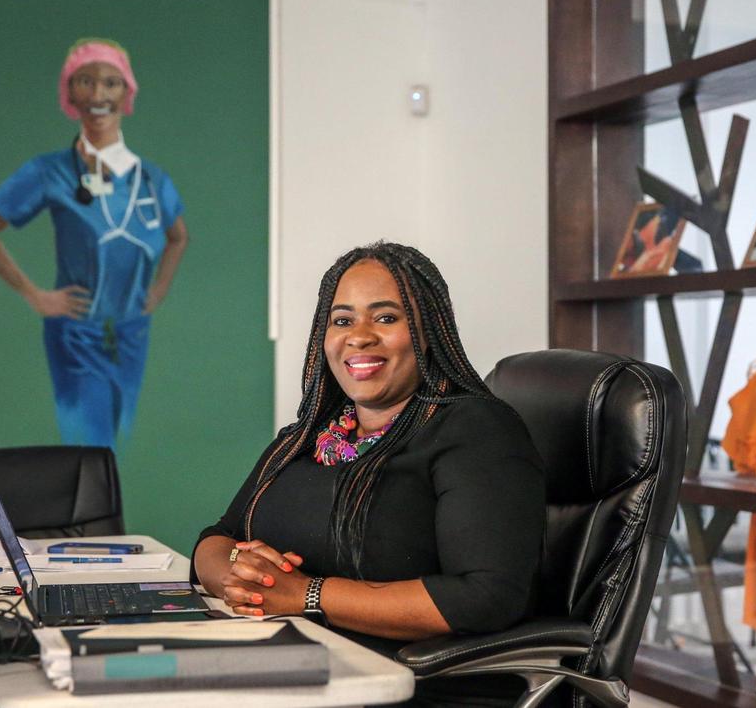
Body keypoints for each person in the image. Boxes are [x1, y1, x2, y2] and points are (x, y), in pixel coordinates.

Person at [191, 242, 545, 705]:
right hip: (286, 668)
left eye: (385, 318)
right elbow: (217, 539)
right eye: (342, 320)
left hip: (404, 688)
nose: (359, 336)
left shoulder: (475, 429)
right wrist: (240, 580)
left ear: (427, 331)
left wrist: (307, 594)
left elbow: (484, 596)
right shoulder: (307, 435)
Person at [0, 38, 188, 449]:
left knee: (122, 445)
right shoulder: (50, 172)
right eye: (85, 81)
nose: (98, 94)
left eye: (111, 82)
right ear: (70, 94)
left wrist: (157, 291)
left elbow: (178, 236)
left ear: (127, 93)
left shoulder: (152, 179)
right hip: (76, 333)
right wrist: (33, 294)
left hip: (132, 332)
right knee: (87, 452)